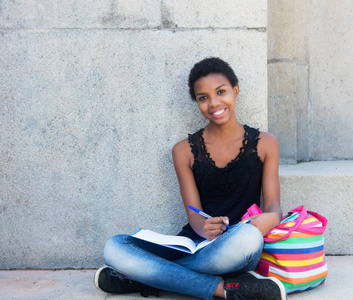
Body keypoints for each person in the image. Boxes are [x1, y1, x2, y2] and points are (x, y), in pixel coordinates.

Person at [94, 57, 286, 300]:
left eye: (221, 92)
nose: (214, 102)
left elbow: (273, 206)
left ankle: (141, 276)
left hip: (235, 246)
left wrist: (270, 218)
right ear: (196, 101)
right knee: (115, 247)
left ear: (235, 91)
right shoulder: (183, 151)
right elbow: (194, 214)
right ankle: (223, 289)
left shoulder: (267, 143)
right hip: (194, 245)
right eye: (203, 97)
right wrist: (203, 227)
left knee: (248, 239)